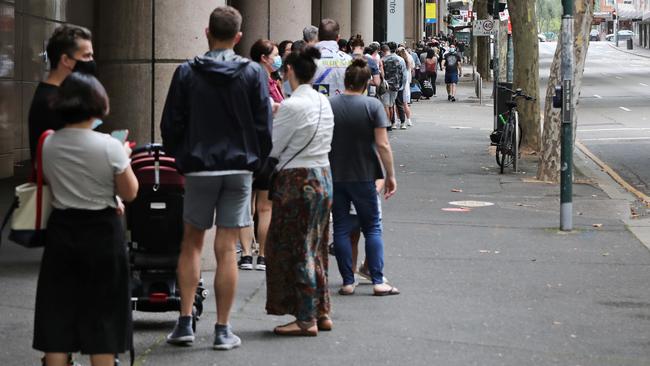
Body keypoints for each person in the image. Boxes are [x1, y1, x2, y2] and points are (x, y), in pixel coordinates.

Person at [161, 6, 272, 350]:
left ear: (206, 31)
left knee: (191, 243)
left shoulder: (186, 73)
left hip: (199, 167)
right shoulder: (253, 74)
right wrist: (256, 161)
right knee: (227, 248)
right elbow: (263, 126)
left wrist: (183, 158)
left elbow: (171, 125)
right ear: (238, 37)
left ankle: (184, 323)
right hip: (239, 168)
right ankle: (223, 330)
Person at [34, 72, 138, 366]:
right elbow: (130, 192)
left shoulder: (49, 144)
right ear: (98, 104)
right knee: (103, 316)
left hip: (62, 230)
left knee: (56, 313)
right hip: (101, 232)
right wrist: (123, 160)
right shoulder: (110, 146)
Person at [265, 46, 335, 337]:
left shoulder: (293, 106)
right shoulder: (324, 102)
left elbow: (274, 147)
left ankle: (305, 319)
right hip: (324, 177)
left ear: (289, 71)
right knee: (316, 246)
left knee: (298, 248)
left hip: (297, 181)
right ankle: (321, 311)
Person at [328, 58, 399, 297]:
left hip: (335, 173)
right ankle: (378, 280)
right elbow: (383, 144)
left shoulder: (330, 104)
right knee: (372, 228)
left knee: (340, 228)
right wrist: (390, 175)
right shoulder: (373, 106)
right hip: (365, 173)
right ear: (367, 82)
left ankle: (347, 281)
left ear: (345, 80)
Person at [237, 39, 283, 271]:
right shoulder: (266, 83)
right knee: (265, 207)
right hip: (267, 150)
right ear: (264, 58)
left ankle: (246, 255)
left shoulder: (244, 81)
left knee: (246, 204)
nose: (278, 58)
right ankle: (262, 256)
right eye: (275, 54)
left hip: (245, 149)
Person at [28, 24, 95, 163]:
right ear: (65, 60)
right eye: (86, 56)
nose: (91, 61)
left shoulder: (56, 94)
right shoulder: (52, 101)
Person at [313, 18, 352, 97]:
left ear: (318, 36)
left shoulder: (306, 58)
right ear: (338, 37)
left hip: (315, 107)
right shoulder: (348, 59)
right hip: (343, 107)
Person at [380, 43, 406, 130]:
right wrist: (401, 85)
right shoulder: (398, 59)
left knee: (386, 106)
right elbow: (402, 74)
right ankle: (391, 123)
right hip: (396, 85)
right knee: (391, 105)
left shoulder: (382, 60)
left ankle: (388, 124)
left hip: (386, 86)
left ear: (383, 51)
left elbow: (382, 74)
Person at [396, 47, 414, 128]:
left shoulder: (399, 61)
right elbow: (411, 69)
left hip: (400, 82)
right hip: (406, 82)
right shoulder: (408, 60)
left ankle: (399, 119)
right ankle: (409, 120)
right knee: (405, 103)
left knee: (398, 103)